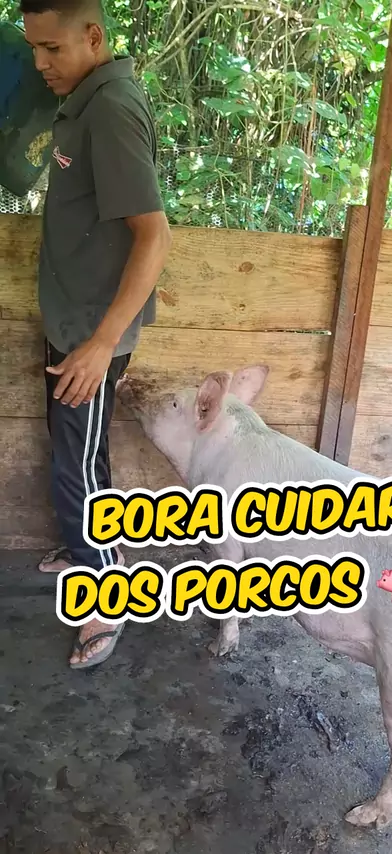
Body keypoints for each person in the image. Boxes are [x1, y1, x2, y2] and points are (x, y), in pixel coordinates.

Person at [21, 0, 172, 668]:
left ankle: (108, 595)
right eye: (33, 48)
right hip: (74, 318)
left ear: (93, 36)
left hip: (93, 331)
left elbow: (154, 235)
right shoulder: (82, 101)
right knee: (75, 452)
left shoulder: (111, 109)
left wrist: (104, 342)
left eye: (52, 48)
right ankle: (87, 547)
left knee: (76, 463)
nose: (39, 63)